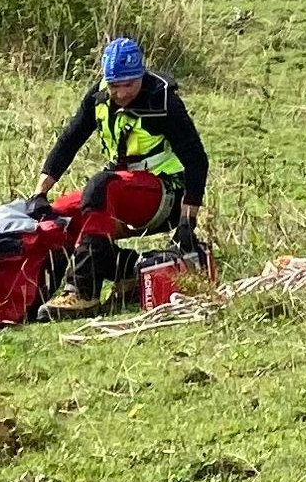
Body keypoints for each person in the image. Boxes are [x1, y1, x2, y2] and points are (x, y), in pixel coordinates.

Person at [36, 36, 208, 302]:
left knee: (102, 186)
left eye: (130, 84)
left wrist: (188, 223)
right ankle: (129, 270)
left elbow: (197, 160)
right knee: (57, 216)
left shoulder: (162, 101)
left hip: (168, 194)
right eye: (116, 85)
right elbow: (70, 140)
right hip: (124, 187)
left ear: (141, 75)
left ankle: (82, 292)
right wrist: (40, 194)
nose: (123, 93)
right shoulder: (98, 97)